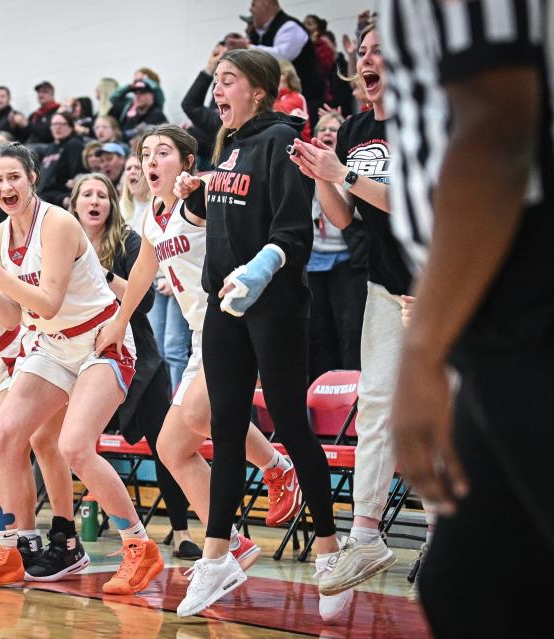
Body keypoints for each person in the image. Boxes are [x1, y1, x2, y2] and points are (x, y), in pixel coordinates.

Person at [383, 0, 554, 634]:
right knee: (471, 583)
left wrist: (423, 347)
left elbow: (498, 127)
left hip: (527, 279)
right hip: (492, 287)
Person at [0, 142, 164, 594]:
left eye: (14, 177)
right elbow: (10, 317)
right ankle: (6, 553)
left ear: (31, 178)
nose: (6, 186)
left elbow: (47, 301)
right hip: (51, 345)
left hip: (101, 340)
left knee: (75, 447)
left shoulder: (59, 224)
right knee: (3, 438)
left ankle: (140, 548)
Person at [172, 50, 343, 620]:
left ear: (260, 91)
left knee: (292, 424)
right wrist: (198, 196)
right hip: (223, 303)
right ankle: (218, 554)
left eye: (228, 81)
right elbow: (229, 215)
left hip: (274, 304)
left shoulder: (280, 141)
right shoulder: (228, 145)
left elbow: (293, 231)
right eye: (216, 81)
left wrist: (260, 267)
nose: (217, 91)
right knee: (223, 426)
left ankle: (328, 552)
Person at [97, 124, 301, 562]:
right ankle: (232, 545)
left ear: (188, 161)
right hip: (198, 332)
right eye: (146, 154)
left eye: (163, 153)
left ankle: (278, 468)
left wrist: (203, 182)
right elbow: (141, 274)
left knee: (198, 412)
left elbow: (223, 189)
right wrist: (117, 323)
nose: (152, 161)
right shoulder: (152, 212)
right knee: (172, 447)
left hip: (230, 323)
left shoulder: (203, 199)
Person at [289, 24, 424, 598]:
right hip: (386, 286)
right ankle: (366, 534)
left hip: (442, 285)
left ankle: (452, 537)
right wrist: (322, 176)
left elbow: (420, 204)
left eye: (378, 51)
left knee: (440, 415)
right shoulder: (356, 128)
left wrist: (343, 175)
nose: (365, 59)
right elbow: (345, 219)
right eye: (361, 52)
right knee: (374, 409)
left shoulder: (427, 118)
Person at [71, 172, 196, 556]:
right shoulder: (59, 242)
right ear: (73, 203)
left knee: (164, 445)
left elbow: (143, 303)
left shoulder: (126, 241)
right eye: (87, 194)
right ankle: (71, 530)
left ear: (112, 204)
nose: (95, 201)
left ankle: (180, 530)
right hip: (80, 358)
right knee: (67, 444)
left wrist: (101, 272)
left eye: (102, 195)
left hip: (139, 358)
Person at [304, 113, 366, 381]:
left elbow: (361, 215)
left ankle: (351, 403)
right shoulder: (303, 171)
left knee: (351, 336)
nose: (329, 132)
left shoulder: (353, 171)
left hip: (348, 263)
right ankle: (323, 407)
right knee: (319, 338)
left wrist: (336, 177)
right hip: (313, 262)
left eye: (335, 129)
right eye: (324, 129)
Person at [245, 1, 325, 120]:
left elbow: (282, 58)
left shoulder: (290, 27)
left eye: (253, 5)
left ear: (265, 4)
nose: (250, 10)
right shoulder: (257, 33)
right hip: (277, 98)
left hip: (306, 99)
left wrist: (247, 48)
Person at [38, 111, 85, 205]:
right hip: (44, 195)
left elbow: (76, 175)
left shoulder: (74, 144)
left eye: (62, 124)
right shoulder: (50, 147)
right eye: (54, 124)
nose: (57, 127)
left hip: (61, 195)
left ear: (71, 127)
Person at [274, 60, 311, 141]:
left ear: (289, 78)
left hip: (299, 148)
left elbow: (277, 116)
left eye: (281, 74)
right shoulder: (274, 100)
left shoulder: (296, 97)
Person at [118, 153, 150, 229]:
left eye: (137, 168)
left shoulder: (161, 203)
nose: (132, 171)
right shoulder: (121, 208)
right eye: (128, 168)